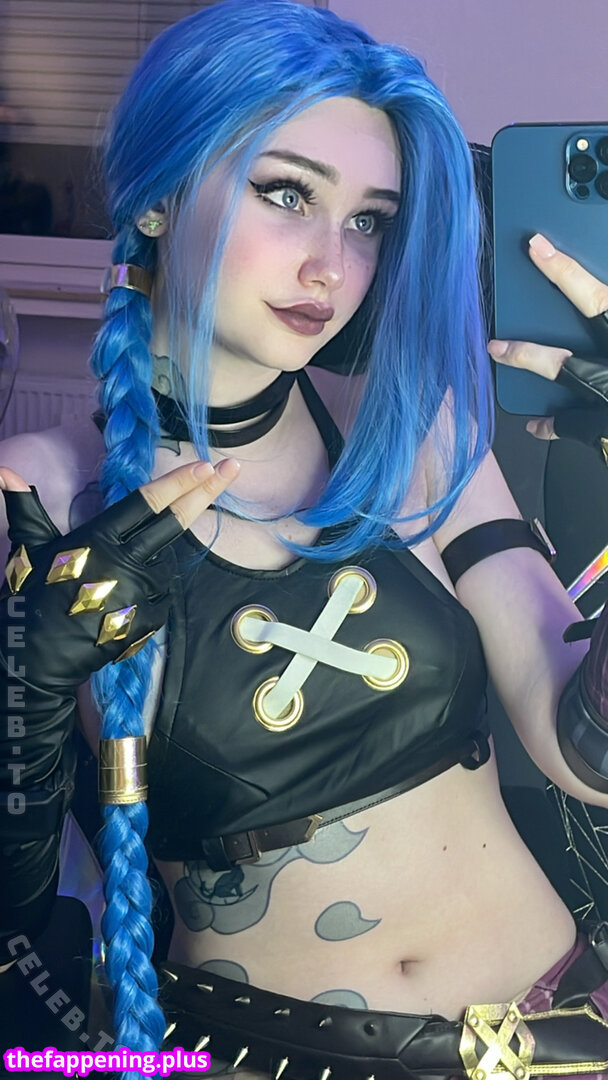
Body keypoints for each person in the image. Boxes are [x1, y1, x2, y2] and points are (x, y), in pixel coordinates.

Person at [1, 2, 608, 1077]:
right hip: (268, 1057)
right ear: (158, 199)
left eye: (369, 220)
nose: (332, 264)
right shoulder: (35, 498)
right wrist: (27, 687)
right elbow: (17, 925)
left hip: (563, 1033)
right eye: (287, 194)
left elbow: (585, 755)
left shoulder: (414, 435)